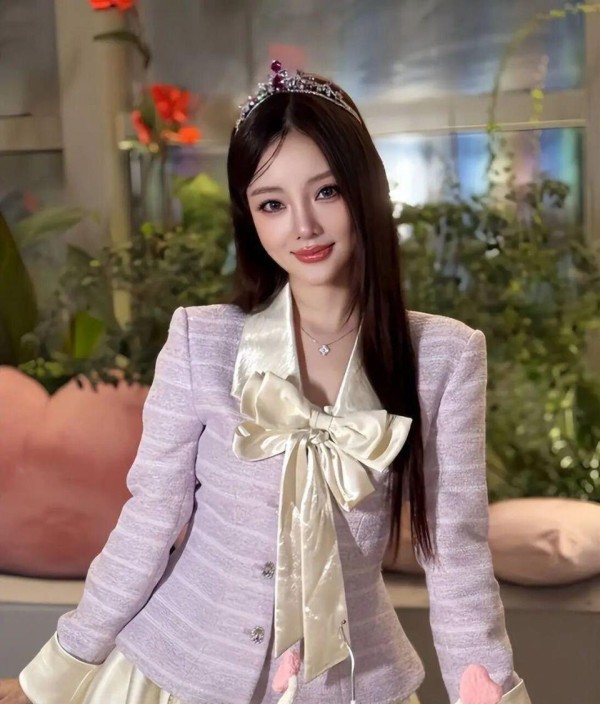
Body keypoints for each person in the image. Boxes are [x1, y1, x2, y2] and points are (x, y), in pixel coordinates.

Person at [0, 62, 531, 704]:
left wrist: (494, 694)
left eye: (327, 191)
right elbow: (150, 521)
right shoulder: (201, 341)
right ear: (250, 216)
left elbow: (456, 557)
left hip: (352, 686)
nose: (302, 226)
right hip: (178, 672)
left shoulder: (445, 356)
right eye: (272, 204)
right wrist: (51, 676)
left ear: (366, 189)